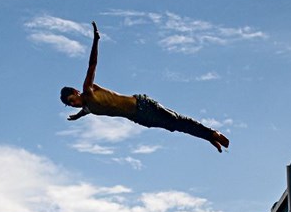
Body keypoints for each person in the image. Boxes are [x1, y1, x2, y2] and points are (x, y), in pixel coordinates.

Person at [60, 22, 231, 152]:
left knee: (175, 120)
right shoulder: (88, 107)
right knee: (174, 127)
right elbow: (87, 110)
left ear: (76, 92)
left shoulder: (88, 91)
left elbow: (92, 65)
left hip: (141, 105)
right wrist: (77, 116)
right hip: (139, 118)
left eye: (72, 100)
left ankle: (211, 133)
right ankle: (208, 136)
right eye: (71, 104)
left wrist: (96, 40)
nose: (74, 103)